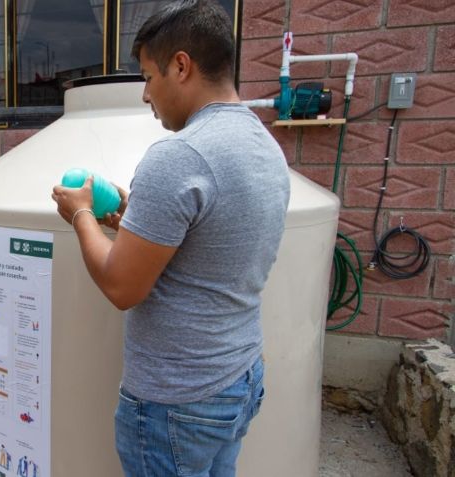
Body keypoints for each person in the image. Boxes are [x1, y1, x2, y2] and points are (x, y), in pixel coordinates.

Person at [51, 1, 290, 476]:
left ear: (180, 66)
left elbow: (122, 287)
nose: (145, 95)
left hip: (176, 403)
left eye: (147, 77)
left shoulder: (179, 156)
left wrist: (79, 214)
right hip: (237, 377)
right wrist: (133, 220)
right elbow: (210, 244)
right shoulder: (265, 145)